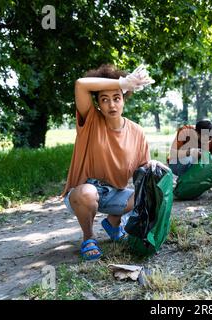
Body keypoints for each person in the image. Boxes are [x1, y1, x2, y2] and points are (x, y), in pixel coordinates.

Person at [62, 64, 158, 261]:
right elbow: (81, 84)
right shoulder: (91, 121)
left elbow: (143, 171)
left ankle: (113, 223)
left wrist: (153, 168)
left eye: (116, 98)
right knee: (87, 193)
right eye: (104, 100)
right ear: (97, 104)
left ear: (124, 100)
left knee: (149, 191)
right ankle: (89, 237)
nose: (112, 105)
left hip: (115, 194)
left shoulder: (137, 132)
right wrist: (122, 82)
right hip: (83, 193)